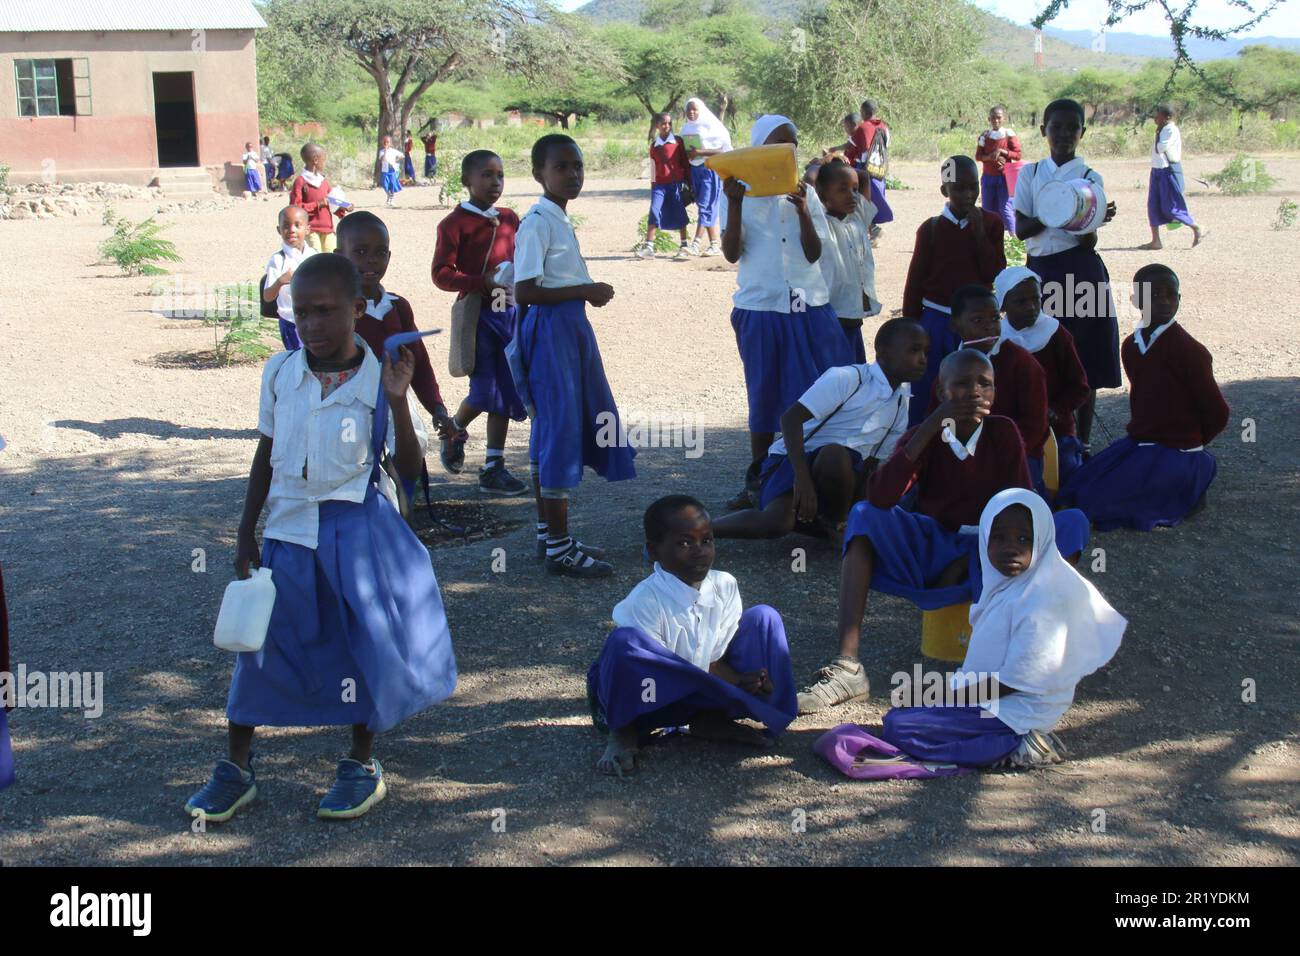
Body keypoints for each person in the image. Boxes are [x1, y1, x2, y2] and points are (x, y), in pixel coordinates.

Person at [184, 254, 457, 823]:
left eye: (325, 311)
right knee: (260, 648)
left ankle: (360, 764)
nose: (311, 324)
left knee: (363, 644)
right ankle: (236, 768)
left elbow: (408, 469)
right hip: (288, 532)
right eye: (301, 312)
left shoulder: (380, 376)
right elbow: (266, 451)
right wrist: (244, 529)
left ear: (357, 310)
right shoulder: (281, 372)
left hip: (357, 530)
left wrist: (401, 401)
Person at [798, 349, 1088, 713]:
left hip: (994, 548)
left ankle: (1031, 655)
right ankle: (848, 665)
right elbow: (883, 496)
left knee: (1073, 522)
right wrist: (932, 425)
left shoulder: (1003, 431)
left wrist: (973, 558)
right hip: (936, 545)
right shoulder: (923, 435)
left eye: (985, 384)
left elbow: (1020, 509)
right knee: (863, 515)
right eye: (962, 384)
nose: (974, 393)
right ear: (940, 391)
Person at [878, 489, 1125, 769]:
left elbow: (1013, 682)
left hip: (1012, 712)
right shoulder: (1007, 588)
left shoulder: (1044, 600)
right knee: (905, 704)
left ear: (1042, 541)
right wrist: (941, 692)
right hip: (989, 699)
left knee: (900, 728)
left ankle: (1014, 747)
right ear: (984, 541)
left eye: (1024, 539)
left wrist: (948, 695)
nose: (1011, 548)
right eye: (999, 538)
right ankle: (981, 736)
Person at [588, 496, 798, 776]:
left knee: (764, 617)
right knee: (623, 643)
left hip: (699, 691)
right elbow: (654, 675)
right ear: (654, 550)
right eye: (684, 543)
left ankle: (711, 718)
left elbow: (711, 659)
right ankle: (623, 731)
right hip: (649, 701)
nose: (699, 551)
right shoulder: (645, 601)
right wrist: (726, 685)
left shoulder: (724, 585)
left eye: (707, 540)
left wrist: (741, 681)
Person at [514, 134, 636, 578]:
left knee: (558, 426)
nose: (573, 175)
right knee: (559, 429)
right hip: (552, 331)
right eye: (562, 167)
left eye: (578, 167)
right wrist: (585, 289)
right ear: (538, 174)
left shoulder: (557, 218)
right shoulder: (538, 221)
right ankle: (561, 547)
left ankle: (552, 538)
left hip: (568, 328)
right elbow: (524, 290)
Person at [720, 115, 854, 511]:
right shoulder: (738, 192)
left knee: (820, 394)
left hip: (809, 307)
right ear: (758, 147)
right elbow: (730, 253)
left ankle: (816, 480)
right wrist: (733, 204)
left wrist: (802, 210)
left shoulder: (805, 194)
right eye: (778, 143)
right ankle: (758, 483)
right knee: (765, 396)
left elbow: (813, 253)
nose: (787, 152)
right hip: (761, 308)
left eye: (793, 144)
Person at [712, 318, 926, 542]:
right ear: (883, 352)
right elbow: (790, 420)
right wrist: (802, 481)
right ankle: (702, 530)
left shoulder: (901, 405)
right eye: (914, 350)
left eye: (925, 351)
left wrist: (866, 513)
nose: (923, 360)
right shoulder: (848, 378)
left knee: (852, 473)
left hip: (841, 483)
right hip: (795, 463)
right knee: (777, 522)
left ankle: (837, 522)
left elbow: (872, 465)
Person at [1058, 264, 1229, 530]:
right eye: (1154, 294)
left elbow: (1218, 412)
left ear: (1179, 299)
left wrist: (1189, 442)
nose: (1164, 301)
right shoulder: (1131, 346)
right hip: (1141, 442)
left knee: (1110, 505)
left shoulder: (1190, 351)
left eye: (1171, 294)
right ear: (1136, 300)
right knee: (1081, 486)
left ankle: (1193, 479)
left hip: (1177, 450)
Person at [1014, 97, 1120, 453]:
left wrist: (1093, 215)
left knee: (1084, 357)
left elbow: (1088, 241)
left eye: (1071, 128)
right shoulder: (1029, 173)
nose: (1063, 134)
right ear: (1043, 131)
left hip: (1080, 271)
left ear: (1082, 133)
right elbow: (1022, 230)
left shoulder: (1090, 178)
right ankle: (1040, 436)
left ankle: (1080, 442)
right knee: (1041, 352)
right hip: (1040, 273)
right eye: (1055, 127)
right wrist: (1057, 208)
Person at [432, 150, 533, 496]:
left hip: (510, 311)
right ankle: (457, 429)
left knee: (507, 387)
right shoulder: (453, 224)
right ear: (467, 181)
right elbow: (441, 274)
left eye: (500, 175)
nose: (495, 182)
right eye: (486, 175)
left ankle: (492, 464)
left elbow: (522, 257)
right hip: (478, 316)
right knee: (486, 389)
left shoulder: (509, 218)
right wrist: (482, 281)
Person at [336, 210, 461, 469]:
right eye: (360, 252)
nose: (371, 261)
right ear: (340, 257)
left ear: (389, 256)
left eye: (380, 253)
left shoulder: (397, 307)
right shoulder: (336, 312)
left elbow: (419, 363)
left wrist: (436, 406)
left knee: (406, 472)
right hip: (351, 415)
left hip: (398, 410)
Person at [902, 155, 1006, 425]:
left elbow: (993, 271)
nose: (968, 195)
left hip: (977, 322)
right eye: (959, 188)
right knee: (928, 386)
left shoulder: (992, 223)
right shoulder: (931, 229)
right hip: (937, 319)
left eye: (974, 187)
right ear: (944, 191)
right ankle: (921, 441)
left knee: (976, 383)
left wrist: (980, 233)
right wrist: (911, 325)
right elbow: (915, 281)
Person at [925, 285, 1049, 493]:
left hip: (1016, 455)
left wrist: (992, 460)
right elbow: (936, 418)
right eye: (977, 320)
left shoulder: (1021, 362)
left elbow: (1035, 425)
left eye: (994, 319)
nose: (989, 327)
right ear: (955, 325)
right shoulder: (950, 368)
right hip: (960, 454)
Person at [995, 266, 1090, 485]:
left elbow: (1079, 386)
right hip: (1009, 427)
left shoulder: (1055, 333)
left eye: (1036, 299)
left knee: (1065, 476)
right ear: (1003, 305)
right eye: (1021, 301)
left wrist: (1056, 410)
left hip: (1055, 429)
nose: (1031, 307)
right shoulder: (997, 338)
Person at [814, 159, 881, 362]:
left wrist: (847, 168)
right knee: (835, 374)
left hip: (854, 315)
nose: (852, 195)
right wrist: (823, 167)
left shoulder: (857, 217)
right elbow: (810, 180)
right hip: (831, 315)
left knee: (854, 371)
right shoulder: (820, 223)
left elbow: (864, 177)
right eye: (842, 189)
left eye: (854, 189)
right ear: (823, 194)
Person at [1141, 105, 1206, 249]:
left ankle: (1196, 227)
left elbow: (1161, 148)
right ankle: (1156, 241)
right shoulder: (1162, 129)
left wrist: (1158, 134)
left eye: (1158, 116)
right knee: (1153, 205)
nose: (1155, 118)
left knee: (1171, 207)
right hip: (1157, 170)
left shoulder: (1170, 129)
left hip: (1167, 170)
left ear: (1167, 117)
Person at [636, 112, 692, 260]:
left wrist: (689, 183)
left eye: (669, 123)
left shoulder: (678, 142)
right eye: (663, 123)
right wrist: (653, 185)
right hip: (659, 185)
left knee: (679, 212)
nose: (667, 126)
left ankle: (684, 245)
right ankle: (649, 246)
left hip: (675, 184)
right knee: (654, 211)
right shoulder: (654, 146)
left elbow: (685, 164)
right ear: (657, 126)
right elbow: (653, 167)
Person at [680, 97, 732, 257]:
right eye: (688, 109)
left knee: (706, 206)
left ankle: (696, 243)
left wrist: (700, 153)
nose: (691, 112)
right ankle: (715, 245)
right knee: (705, 206)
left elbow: (724, 150)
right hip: (694, 171)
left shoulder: (713, 127)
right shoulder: (685, 129)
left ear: (700, 110)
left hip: (710, 169)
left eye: (694, 109)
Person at [262, 204, 316, 350]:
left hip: (315, 319)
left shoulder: (314, 257)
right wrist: (280, 281)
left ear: (307, 229)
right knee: (298, 360)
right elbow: (267, 296)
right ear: (279, 230)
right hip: (291, 322)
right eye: (286, 226)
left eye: (297, 225)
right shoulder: (278, 260)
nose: (291, 230)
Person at [841, 100, 894, 236]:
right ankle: (872, 228)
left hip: (864, 169)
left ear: (864, 112)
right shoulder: (884, 127)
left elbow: (849, 145)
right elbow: (886, 145)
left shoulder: (863, 128)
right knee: (873, 200)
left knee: (859, 199)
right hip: (879, 170)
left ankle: (871, 229)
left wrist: (833, 149)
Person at [975, 105, 1021, 234]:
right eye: (993, 118)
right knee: (988, 209)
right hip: (988, 178)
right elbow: (978, 156)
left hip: (1004, 178)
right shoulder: (985, 136)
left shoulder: (1008, 134)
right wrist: (990, 157)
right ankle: (990, 239)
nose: (996, 120)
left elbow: (1017, 155)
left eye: (999, 118)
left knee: (1005, 209)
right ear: (989, 119)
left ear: (1004, 119)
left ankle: (1015, 238)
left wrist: (1002, 152)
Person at [290, 142, 340, 253]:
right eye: (323, 160)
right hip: (310, 229)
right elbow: (295, 207)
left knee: (331, 256)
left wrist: (343, 208)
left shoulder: (323, 181)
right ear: (315, 160)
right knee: (315, 258)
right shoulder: (301, 181)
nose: (324, 163)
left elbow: (332, 201)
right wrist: (317, 204)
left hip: (327, 229)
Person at [378, 135, 404, 207]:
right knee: (384, 184)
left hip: (392, 170)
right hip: (385, 170)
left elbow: (402, 155)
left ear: (390, 143)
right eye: (385, 142)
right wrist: (385, 150)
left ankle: (391, 199)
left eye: (388, 142)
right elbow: (382, 159)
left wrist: (396, 161)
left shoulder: (393, 151)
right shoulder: (382, 151)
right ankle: (388, 195)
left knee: (392, 184)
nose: (386, 143)